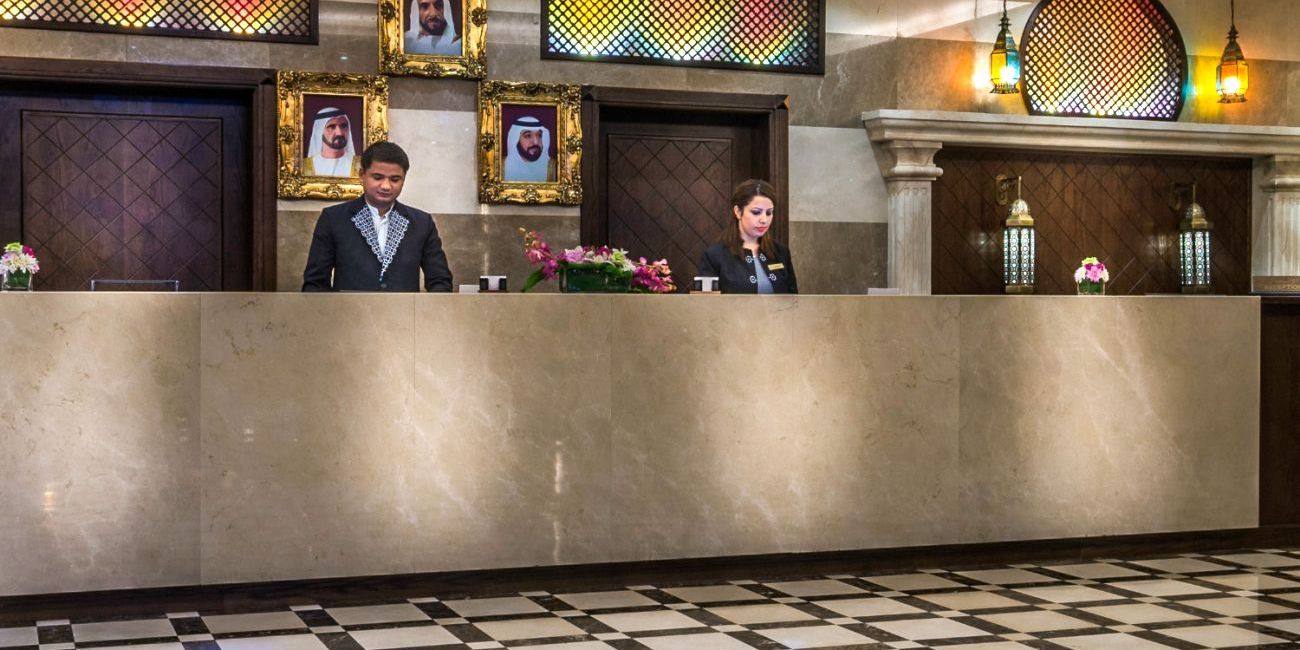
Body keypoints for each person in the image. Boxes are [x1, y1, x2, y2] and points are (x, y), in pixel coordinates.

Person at [302, 141, 453, 292]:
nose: (386, 186)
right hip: (350, 307)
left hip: (404, 308)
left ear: (403, 180)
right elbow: (315, 284)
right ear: (362, 175)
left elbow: (440, 281)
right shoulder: (333, 219)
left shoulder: (422, 223)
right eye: (378, 177)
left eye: (395, 179)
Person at [698, 179, 798, 294]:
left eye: (769, 213)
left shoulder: (781, 252)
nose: (764, 220)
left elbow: (794, 299)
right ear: (738, 212)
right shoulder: (714, 255)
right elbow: (706, 302)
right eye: (756, 212)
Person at [303, 107, 361, 178]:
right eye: (332, 127)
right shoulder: (303, 167)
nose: (339, 133)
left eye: (343, 126)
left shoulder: (361, 165)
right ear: (319, 131)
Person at [503, 115, 556, 183]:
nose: (536, 142)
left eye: (539, 135)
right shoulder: (500, 167)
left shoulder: (555, 168)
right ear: (515, 140)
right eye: (528, 136)